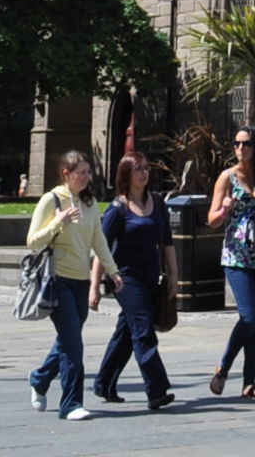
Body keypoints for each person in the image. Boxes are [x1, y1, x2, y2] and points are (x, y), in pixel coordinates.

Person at [26, 149, 121, 422]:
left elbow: (98, 241)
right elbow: (33, 242)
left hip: (80, 281)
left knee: (67, 341)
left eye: (88, 173)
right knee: (74, 345)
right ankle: (71, 404)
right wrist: (58, 222)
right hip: (58, 281)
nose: (86, 177)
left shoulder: (89, 204)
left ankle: (40, 378)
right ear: (66, 174)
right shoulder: (51, 200)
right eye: (81, 172)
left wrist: (112, 271)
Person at [205, 128, 255, 400]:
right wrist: (225, 208)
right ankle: (224, 366)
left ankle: (250, 382)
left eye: (246, 143)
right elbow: (212, 220)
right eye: (236, 143)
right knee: (249, 316)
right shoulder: (227, 178)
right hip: (236, 255)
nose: (240, 148)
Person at [93, 150, 176, 410]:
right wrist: (94, 286)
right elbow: (101, 249)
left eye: (147, 168)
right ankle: (157, 389)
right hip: (124, 278)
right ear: (126, 174)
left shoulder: (158, 202)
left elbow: (167, 242)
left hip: (151, 275)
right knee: (143, 331)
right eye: (139, 168)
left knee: (127, 332)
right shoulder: (116, 209)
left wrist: (173, 273)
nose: (144, 173)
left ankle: (104, 382)